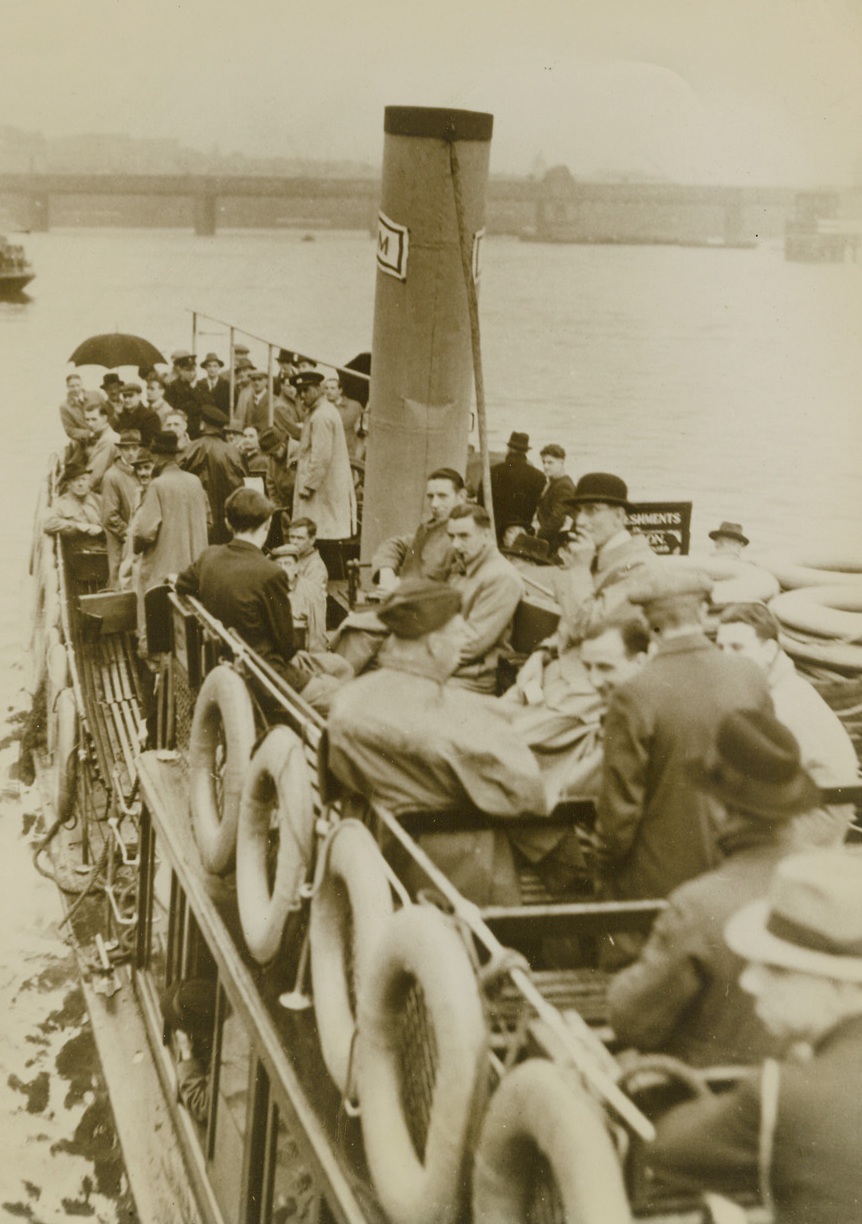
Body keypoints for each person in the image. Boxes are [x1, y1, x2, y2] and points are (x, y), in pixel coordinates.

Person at [647, 849, 862, 1224]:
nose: (750, 980)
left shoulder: (786, 1093)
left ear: (845, 988)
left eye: (777, 969)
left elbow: (663, 1149)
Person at [608, 709, 813, 1067]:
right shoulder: (835, 884)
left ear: (721, 808)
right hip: (809, 1084)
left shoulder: (697, 905)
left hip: (708, 1089)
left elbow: (630, 1021)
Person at [327, 579, 549, 906]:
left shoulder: (350, 698)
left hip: (377, 852)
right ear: (433, 645)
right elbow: (529, 796)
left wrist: (509, 706)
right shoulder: (450, 721)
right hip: (457, 876)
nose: (464, 641)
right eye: (458, 633)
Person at [595, 568, 772, 925]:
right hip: (736, 871)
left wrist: (602, 868)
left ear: (649, 625)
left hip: (660, 883)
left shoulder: (635, 693)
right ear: (704, 613)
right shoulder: (750, 676)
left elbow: (619, 812)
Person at [716, 602, 858, 846]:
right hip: (813, 804)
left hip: (821, 812)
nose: (726, 657)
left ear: (769, 651)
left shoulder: (783, 700)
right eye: (720, 647)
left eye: (737, 647)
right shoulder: (775, 687)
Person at [176, 487, 297, 677]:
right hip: (263, 675)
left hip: (223, 663)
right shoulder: (272, 573)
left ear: (227, 524)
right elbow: (288, 647)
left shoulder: (209, 556)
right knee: (334, 678)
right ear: (267, 524)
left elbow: (181, 584)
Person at [549, 472, 658, 651]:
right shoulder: (595, 557)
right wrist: (543, 652)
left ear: (619, 517)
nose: (580, 521)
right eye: (579, 511)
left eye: (591, 510)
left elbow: (587, 630)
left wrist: (580, 569)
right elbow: (567, 624)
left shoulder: (638, 567)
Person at [132, 431, 209, 654]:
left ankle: (154, 657)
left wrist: (136, 546)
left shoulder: (157, 486)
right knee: (190, 617)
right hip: (194, 566)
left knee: (156, 617)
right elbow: (209, 520)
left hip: (165, 567)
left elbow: (145, 532)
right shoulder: (195, 482)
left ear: (156, 457)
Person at [446, 503, 523, 694]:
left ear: (487, 536)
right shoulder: (465, 566)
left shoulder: (501, 576)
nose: (455, 544)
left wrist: (420, 658)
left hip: (474, 676)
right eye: (451, 536)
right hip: (451, 664)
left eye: (464, 536)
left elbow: (472, 644)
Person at [291, 369, 356, 571]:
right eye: (299, 391)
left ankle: (327, 580)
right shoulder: (318, 411)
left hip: (322, 490)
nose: (302, 395)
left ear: (318, 389)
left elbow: (321, 457)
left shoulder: (321, 416)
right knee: (323, 535)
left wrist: (307, 487)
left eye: (306, 390)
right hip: (324, 489)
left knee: (322, 537)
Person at [372, 468, 467, 591]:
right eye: (430, 496)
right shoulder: (432, 528)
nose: (434, 504)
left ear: (461, 496)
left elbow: (454, 591)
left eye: (442, 496)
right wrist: (386, 572)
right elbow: (396, 545)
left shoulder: (466, 539)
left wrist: (400, 590)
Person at [180, 402, 245, 544]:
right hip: (226, 521)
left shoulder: (191, 448)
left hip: (197, 518)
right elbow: (240, 487)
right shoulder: (232, 452)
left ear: (202, 424)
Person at [479, 430, 545, 544]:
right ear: (526, 451)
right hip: (524, 532)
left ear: (509, 449)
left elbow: (481, 503)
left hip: (496, 532)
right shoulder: (539, 476)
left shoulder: (492, 472)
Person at [101, 429, 141, 588]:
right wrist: (131, 536)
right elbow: (110, 517)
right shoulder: (112, 476)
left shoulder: (140, 471)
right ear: (120, 450)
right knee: (120, 579)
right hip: (121, 541)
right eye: (126, 448)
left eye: (134, 448)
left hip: (138, 540)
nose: (131, 453)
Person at [270, 541, 327, 652]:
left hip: (300, 654)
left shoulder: (311, 593)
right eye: (278, 564)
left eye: (287, 564)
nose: (282, 569)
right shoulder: (268, 590)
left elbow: (317, 638)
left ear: (296, 567)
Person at [534, 443, 577, 552]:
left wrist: (537, 536)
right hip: (551, 539)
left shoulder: (564, 486)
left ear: (561, 462)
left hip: (555, 543)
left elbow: (556, 520)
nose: (545, 466)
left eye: (550, 463)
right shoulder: (555, 482)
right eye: (543, 462)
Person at [44, 463, 104, 541]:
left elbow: (111, 520)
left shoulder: (98, 499)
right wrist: (78, 526)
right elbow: (48, 524)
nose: (80, 484)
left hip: (103, 545)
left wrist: (101, 529)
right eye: (75, 480)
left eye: (83, 479)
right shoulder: (61, 503)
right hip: (79, 547)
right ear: (68, 484)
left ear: (88, 482)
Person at [81, 401, 120, 491]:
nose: (90, 424)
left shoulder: (109, 439)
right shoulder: (103, 437)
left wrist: (82, 489)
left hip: (104, 491)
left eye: (94, 419)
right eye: (87, 420)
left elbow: (95, 474)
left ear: (104, 418)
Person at [164, 351, 202, 437]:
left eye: (193, 370)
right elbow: (171, 407)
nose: (191, 373)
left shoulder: (200, 385)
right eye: (187, 370)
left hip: (196, 426)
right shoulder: (173, 386)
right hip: (180, 426)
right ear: (180, 370)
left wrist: (194, 387)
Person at [257, 426, 295, 512]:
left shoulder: (298, 453)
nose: (272, 457)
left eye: (274, 453)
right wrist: (278, 507)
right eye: (270, 454)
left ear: (283, 445)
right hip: (285, 505)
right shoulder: (272, 459)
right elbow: (271, 483)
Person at [116, 382, 161, 448]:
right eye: (124, 396)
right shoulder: (121, 416)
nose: (127, 400)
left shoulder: (150, 417)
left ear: (139, 396)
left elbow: (149, 444)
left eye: (130, 396)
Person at [59, 372, 100, 443]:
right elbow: (70, 430)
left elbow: (106, 413)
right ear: (67, 387)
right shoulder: (64, 406)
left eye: (78, 385)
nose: (76, 389)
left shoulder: (95, 395)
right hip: (85, 441)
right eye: (72, 386)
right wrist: (90, 434)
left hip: (103, 433)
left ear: (82, 384)